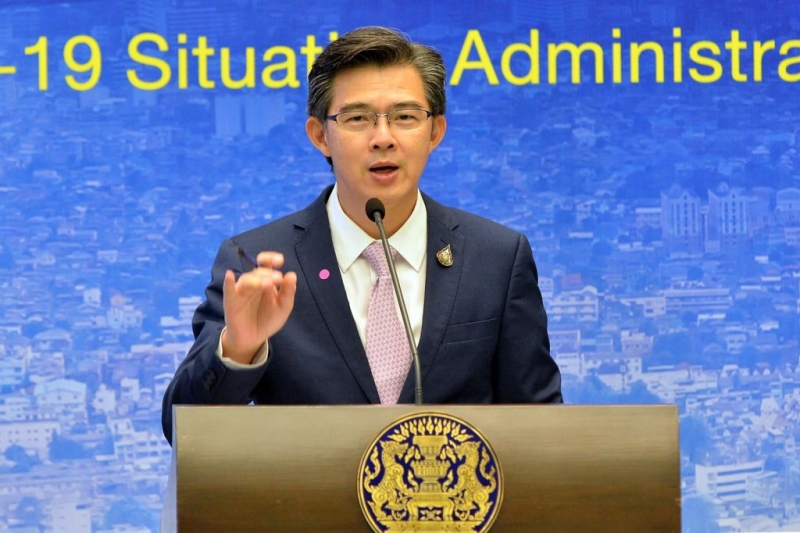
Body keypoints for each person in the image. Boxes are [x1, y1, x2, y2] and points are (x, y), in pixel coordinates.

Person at [161, 26, 562, 444]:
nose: (383, 138)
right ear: (320, 136)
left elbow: (541, 431)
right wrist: (238, 349)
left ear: (435, 132)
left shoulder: (496, 259)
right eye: (357, 118)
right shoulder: (258, 263)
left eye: (405, 117)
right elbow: (184, 432)